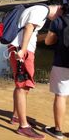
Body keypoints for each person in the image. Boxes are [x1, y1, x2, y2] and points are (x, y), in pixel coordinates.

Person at [8, 4, 63, 139]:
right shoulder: (41, 11)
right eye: (60, 16)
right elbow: (29, 27)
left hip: (19, 47)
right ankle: (23, 126)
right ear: (59, 8)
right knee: (23, 86)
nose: (58, 19)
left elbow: (32, 31)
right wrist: (23, 50)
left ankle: (16, 116)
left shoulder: (38, 10)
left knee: (20, 86)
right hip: (22, 50)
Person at [43, 9, 69, 139]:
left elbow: (48, 41)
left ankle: (58, 130)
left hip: (62, 63)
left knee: (61, 96)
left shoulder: (58, 21)